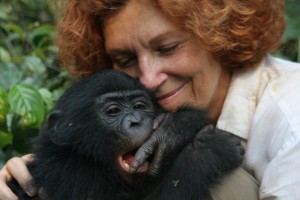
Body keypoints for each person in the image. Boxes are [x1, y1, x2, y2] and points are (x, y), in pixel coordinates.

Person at [1, 0, 300, 199]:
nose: (147, 79)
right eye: (125, 58)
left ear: (217, 36)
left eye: (168, 47)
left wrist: (189, 136)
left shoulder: (292, 117)